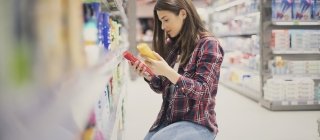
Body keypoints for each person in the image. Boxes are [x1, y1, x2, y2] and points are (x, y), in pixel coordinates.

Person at [128, 0, 224, 139]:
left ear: (183, 14)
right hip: (169, 119)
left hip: (197, 122)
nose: (162, 27)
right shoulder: (172, 45)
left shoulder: (209, 45)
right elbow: (162, 87)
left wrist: (167, 71)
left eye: (166, 20)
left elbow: (203, 91)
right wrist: (148, 75)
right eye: (160, 21)